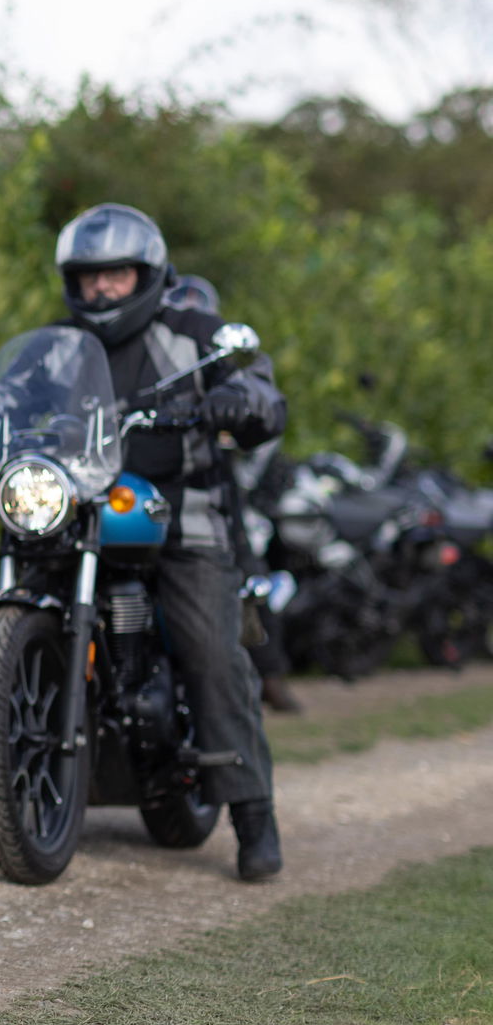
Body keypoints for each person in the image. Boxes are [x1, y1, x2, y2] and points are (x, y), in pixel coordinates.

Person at [0, 203, 287, 882]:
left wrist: (246, 401)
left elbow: (257, 385)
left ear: (149, 274)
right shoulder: (56, 346)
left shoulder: (195, 335)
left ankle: (253, 813)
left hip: (180, 516)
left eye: (116, 274)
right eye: (89, 276)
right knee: (10, 609)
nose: (102, 288)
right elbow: (5, 401)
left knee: (209, 647)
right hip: (76, 507)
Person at [163, 272, 301, 712]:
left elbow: (261, 409)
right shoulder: (153, 357)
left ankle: (269, 675)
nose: (189, 311)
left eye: (196, 305)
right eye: (182, 303)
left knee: (248, 572)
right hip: (153, 486)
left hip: (215, 487)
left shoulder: (218, 357)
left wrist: (232, 409)